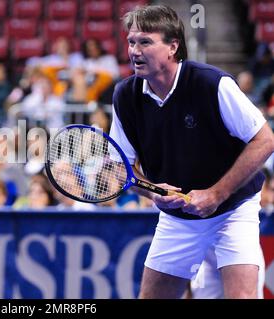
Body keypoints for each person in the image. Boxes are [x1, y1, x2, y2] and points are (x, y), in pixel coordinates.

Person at [110, 5, 274, 298]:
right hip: (177, 220)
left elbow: (264, 140)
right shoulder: (125, 95)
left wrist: (217, 193)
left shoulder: (212, 84)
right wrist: (152, 191)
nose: (134, 50)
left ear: (173, 46)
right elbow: (121, 166)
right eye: (131, 41)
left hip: (233, 211)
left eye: (145, 42)